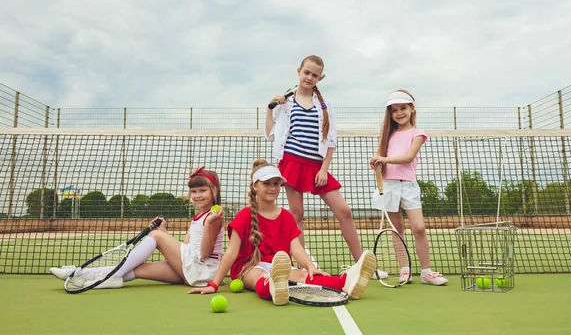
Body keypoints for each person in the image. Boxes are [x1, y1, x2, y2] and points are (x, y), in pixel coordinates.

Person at [187, 159, 376, 305]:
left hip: (280, 266)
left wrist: (308, 265)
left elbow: (297, 249)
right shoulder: (245, 215)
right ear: (255, 186)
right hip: (248, 267)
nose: (273, 188)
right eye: (267, 183)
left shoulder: (286, 216)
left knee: (304, 276)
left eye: (277, 184)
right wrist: (214, 284)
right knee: (260, 276)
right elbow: (231, 253)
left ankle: (346, 281)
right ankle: (274, 287)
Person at [265, 55, 367, 269]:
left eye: (314, 75)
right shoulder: (285, 104)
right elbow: (271, 134)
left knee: (344, 211)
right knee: (297, 214)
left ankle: (361, 263)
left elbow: (330, 140)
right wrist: (270, 108)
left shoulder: (325, 105)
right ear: (298, 71)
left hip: (316, 167)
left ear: (320, 78)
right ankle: (304, 268)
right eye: (306, 73)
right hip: (292, 162)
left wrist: (324, 169)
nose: (309, 77)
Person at [49, 167, 225, 289]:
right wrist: (165, 233)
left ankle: (101, 275)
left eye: (202, 190)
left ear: (214, 191)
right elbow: (186, 248)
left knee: (155, 235)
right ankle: (81, 275)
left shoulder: (214, 218)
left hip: (202, 270)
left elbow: (203, 253)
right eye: (194, 192)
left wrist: (160, 235)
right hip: (193, 269)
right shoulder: (199, 217)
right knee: (139, 269)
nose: (197, 195)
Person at [370, 90, 448, 286]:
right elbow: (382, 162)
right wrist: (376, 163)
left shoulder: (418, 134)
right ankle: (404, 270)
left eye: (403, 108)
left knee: (418, 228)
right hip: (389, 186)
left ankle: (426, 272)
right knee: (397, 230)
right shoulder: (386, 136)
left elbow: (408, 157)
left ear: (412, 109)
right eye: (394, 110)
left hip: (409, 187)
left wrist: (384, 158)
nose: (399, 113)